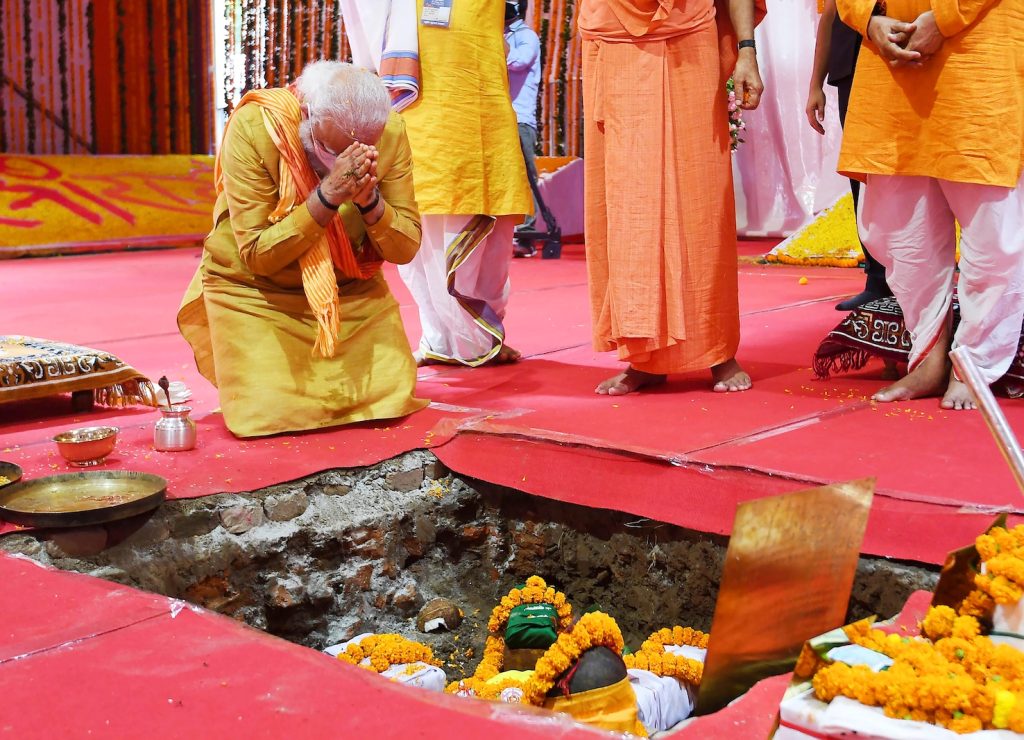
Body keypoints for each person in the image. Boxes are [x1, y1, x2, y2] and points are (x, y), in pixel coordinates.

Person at [177, 61, 427, 437]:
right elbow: (258, 254)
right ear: (307, 114)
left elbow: (405, 248)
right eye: (328, 150)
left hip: (349, 288)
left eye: (360, 150)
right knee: (269, 412)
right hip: (256, 293)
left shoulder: (390, 132)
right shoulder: (257, 126)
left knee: (390, 397)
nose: (340, 164)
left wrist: (370, 202)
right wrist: (327, 197)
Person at [836, 0, 1024, 411]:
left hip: (980, 54)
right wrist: (868, 19)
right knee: (901, 228)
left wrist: (943, 18)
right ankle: (927, 358)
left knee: (993, 234)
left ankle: (973, 366)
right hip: (891, 62)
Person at [578, 0, 766, 396]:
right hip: (612, 42)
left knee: (701, 199)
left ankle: (717, 350)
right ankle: (643, 355)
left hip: (689, 38)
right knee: (628, 203)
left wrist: (747, 49)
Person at [346, 0, 532, 367]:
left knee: (490, 230)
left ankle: (481, 336)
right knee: (422, 229)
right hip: (421, 107)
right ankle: (441, 338)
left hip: (479, 98)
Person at [805, 0, 891, 311]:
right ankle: (877, 280)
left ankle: (914, 278)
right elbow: (831, 12)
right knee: (861, 173)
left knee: (906, 178)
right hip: (851, 70)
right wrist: (815, 85)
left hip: (899, 57)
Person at [504, 0, 543, 258]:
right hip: (499, 117)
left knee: (526, 176)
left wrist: (495, 41)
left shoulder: (526, 36)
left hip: (520, 118)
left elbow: (518, 61)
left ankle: (526, 235)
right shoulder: (501, 35)